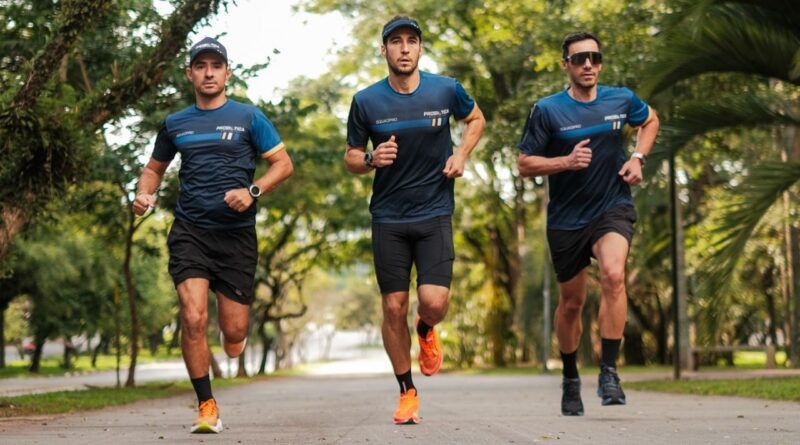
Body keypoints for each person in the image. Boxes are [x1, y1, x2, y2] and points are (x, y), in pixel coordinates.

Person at [132, 37, 293, 433]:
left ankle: (233, 340)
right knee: (193, 316)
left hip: (236, 236)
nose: (208, 73)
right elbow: (153, 169)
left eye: (215, 66)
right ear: (190, 74)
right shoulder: (175, 123)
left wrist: (253, 190)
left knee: (234, 336)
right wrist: (144, 193)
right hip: (191, 231)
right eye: (201, 66)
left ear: (227, 73)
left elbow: (283, 164)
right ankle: (206, 405)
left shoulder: (249, 117)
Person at [344, 16, 485, 424]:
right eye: (396, 42)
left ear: (420, 48)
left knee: (433, 303)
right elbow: (351, 156)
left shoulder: (446, 90)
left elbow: (476, 119)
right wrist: (371, 158)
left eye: (411, 41)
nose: (404, 48)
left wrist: (461, 153)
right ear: (384, 49)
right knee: (393, 306)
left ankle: (425, 329)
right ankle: (407, 391)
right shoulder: (366, 101)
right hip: (388, 217)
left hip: (434, 211)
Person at [517, 31, 659, 416]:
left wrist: (638, 158)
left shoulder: (621, 99)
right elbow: (525, 163)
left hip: (612, 206)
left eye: (594, 58)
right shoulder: (547, 110)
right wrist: (565, 162)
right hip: (566, 219)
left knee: (613, 275)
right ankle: (570, 377)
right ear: (566, 65)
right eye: (579, 59)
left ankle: (609, 371)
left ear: (601, 63)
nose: (588, 65)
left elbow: (650, 120)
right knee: (571, 303)